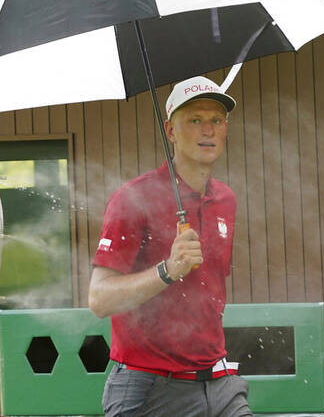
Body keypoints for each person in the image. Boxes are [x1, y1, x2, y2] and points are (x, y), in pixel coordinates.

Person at [89, 75, 251, 417]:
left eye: (216, 120)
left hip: (220, 383)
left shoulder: (225, 199)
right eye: (194, 120)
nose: (208, 130)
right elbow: (100, 300)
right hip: (148, 389)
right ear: (170, 131)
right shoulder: (133, 198)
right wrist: (168, 270)